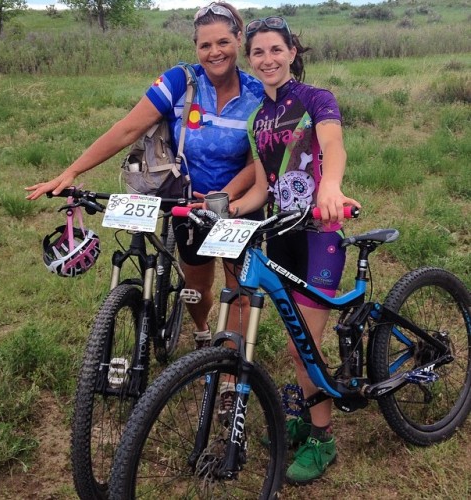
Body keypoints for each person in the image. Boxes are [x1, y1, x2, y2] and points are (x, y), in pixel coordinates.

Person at [25, 2, 264, 361]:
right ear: (196, 48)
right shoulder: (179, 82)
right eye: (205, 45)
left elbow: (257, 161)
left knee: (240, 292)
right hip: (187, 202)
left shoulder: (257, 93)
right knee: (198, 288)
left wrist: (224, 197)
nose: (214, 52)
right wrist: (73, 171)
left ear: (238, 39)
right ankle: (201, 331)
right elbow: (128, 128)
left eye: (223, 42)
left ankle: (231, 378)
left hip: (240, 202)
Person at [228, 16, 361, 485]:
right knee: (296, 342)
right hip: (280, 236)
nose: (267, 59)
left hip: (319, 232)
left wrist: (331, 186)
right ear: (251, 59)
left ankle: (323, 440)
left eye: (276, 50)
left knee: (300, 344)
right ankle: (306, 413)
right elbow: (264, 186)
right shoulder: (257, 119)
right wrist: (228, 209)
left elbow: (333, 144)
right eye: (258, 52)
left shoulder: (315, 99)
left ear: (292, 53)